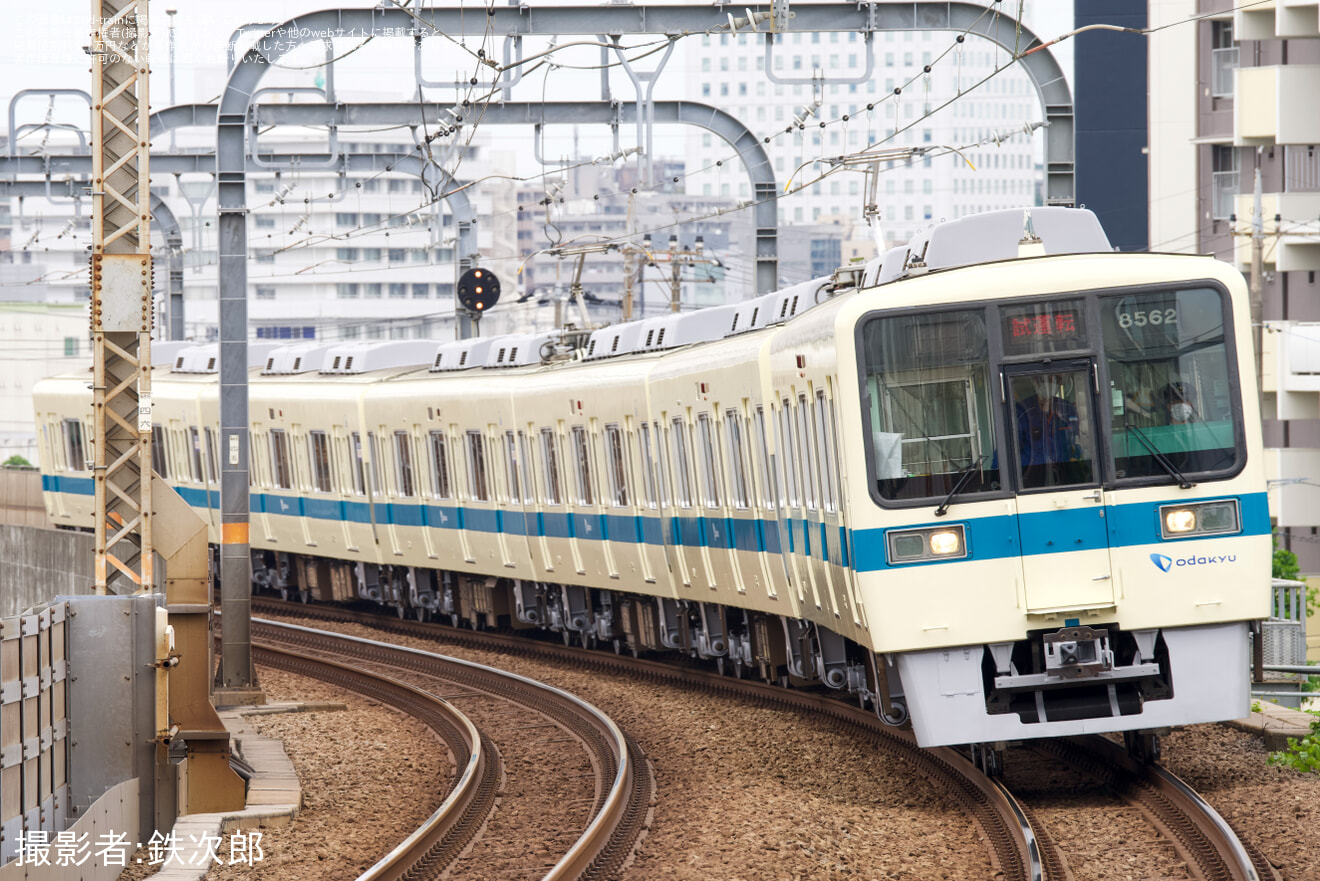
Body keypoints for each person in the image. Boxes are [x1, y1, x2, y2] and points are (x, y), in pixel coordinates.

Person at [1015, 373, 1084, 486]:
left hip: (1064, 477)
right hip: (1033, 480)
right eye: (1043, 379)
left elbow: (1077, 440)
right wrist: (997, 478)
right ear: (1035, 381)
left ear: (1060, 383)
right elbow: (1008, 449)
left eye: (1054, 379)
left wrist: (1074, 460)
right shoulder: (1021, 411)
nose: (1049, 383)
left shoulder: (1067, 409)